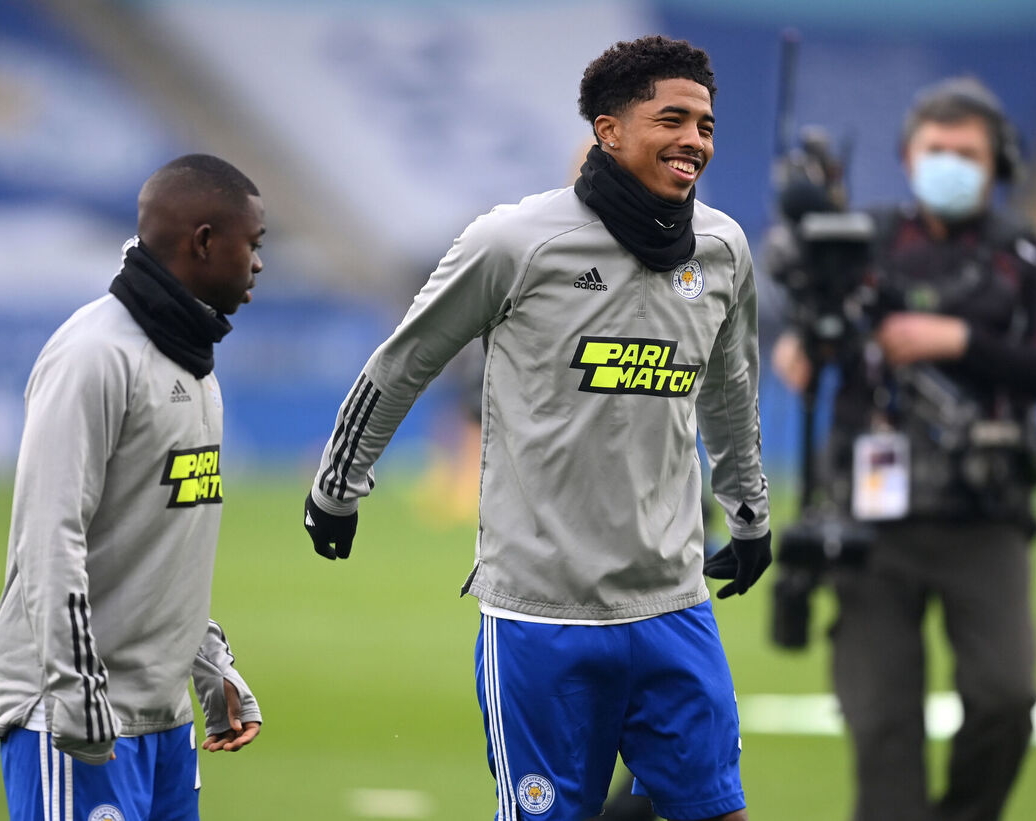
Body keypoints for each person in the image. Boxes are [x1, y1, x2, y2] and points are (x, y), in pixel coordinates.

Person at [303, 35, 772, 821]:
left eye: (706, 125)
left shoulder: (723, 251)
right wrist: (337, 486)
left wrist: (750, 512)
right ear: (608, 129)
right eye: (673, 119)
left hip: (674, 604)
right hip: (539, 616)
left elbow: (729, 395)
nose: (695, 140)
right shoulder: (512, 242)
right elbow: (403, 361)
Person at [769, 77, 1036, 821]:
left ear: (996, 163)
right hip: (869, 521)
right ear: (909, 158)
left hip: (984, 514)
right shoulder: (861, 246)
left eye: (965, 153)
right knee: (882, 722)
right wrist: (802, 346)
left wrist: (961, 341)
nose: (949, 164)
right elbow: (812, 319)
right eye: (935, 151)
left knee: (1005, 696)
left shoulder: (1025, 257)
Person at [0, 154, 266, 820]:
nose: (258, 263)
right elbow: (48, 538)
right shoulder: (95, 356)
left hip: (162, 720)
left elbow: (165, 543)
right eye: (252, 245)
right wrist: (75, 692)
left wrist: (207, 662)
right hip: (79, 717)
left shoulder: (194, 364)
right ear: (202, 241)